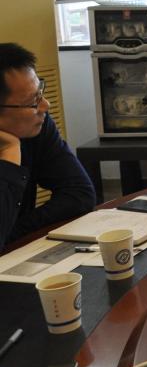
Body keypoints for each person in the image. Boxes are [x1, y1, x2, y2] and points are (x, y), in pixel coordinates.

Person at [0, 43, 95, 251]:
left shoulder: (36, 126)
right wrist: (9, 153)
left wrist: (12, 233)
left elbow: (79, 194)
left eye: (40, 92)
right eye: (32, 101)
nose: (45, 106)